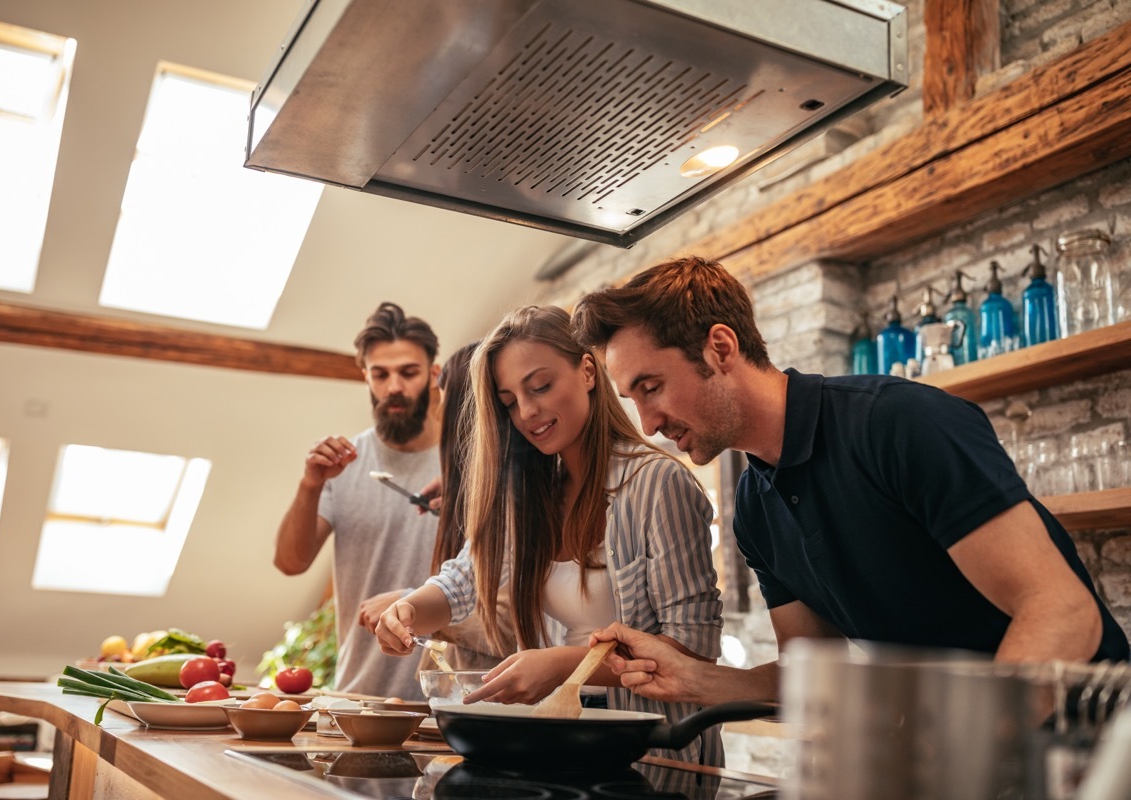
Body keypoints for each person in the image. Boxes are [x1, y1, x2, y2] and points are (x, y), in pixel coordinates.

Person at [570, 256, 1130, 707]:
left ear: (721, 348)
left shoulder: (895, 423)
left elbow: (1061, 611)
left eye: (650, 386)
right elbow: (811, 671)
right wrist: (693, 678)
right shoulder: (754, 507)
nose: (648, 424)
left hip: (1088, 749)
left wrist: (960, 759)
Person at [375, 305, 725, 770]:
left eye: (540, 387)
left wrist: (562, 664)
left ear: (586, 371)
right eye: (509, 400)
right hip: (566, 745)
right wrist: (410, 611)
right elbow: (463, 578)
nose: (527, 412)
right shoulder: (532, 495)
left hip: (656, 752)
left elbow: (693, 647)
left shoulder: (656, 484)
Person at [274, 301, 443, 701]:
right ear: (365, 377)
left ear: (434, 375)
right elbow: (290, 562)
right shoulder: (343, 463)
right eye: (380, 374)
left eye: (408, 372)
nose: (394, 387)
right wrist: (310, 483)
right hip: (357, 698)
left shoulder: (469, 462)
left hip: (446, 698)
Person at [416, 342, 518, 670]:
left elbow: (508, 628)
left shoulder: (515, 501)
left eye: (444, 403)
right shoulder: (483, 493)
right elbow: (462, 579)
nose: (436, 414)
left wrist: (415, 606)